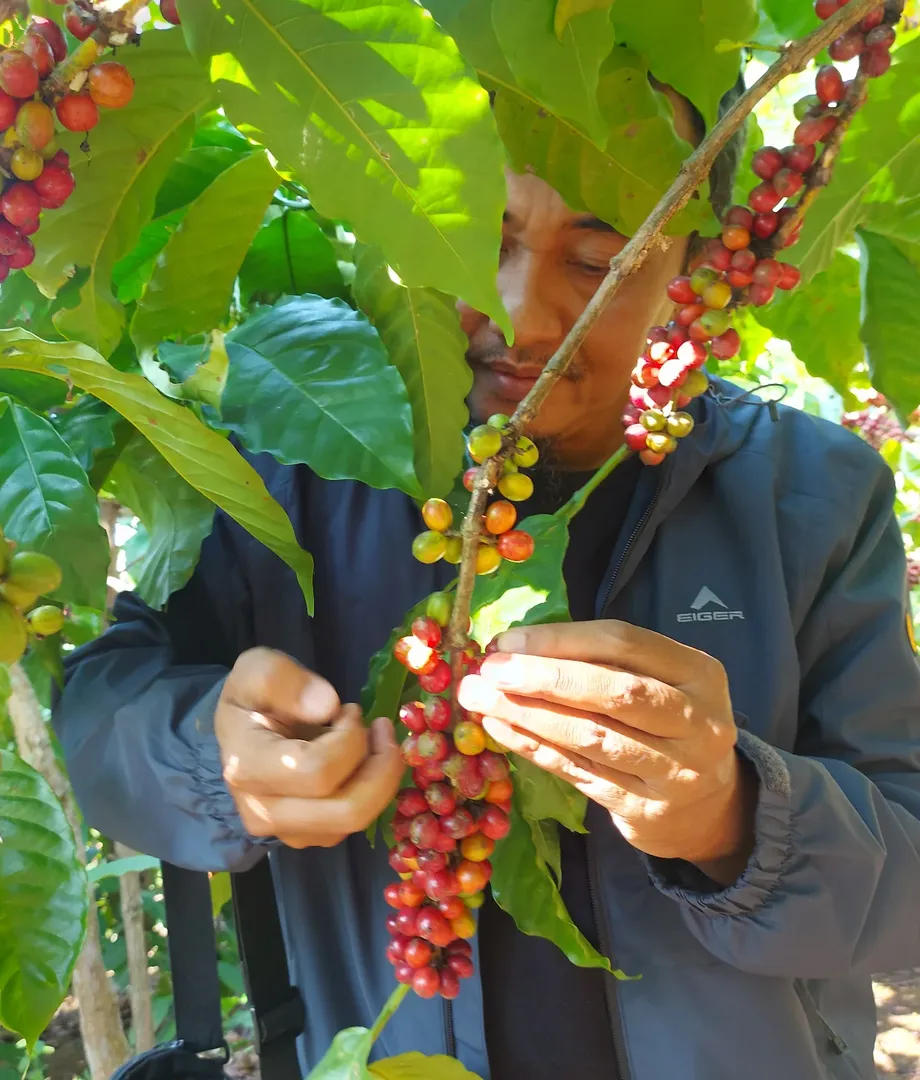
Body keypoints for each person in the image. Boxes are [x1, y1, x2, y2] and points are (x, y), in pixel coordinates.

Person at [53, 77, 920, 1080]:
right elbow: (102, 707)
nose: (524, 314)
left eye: (599, 261)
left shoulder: (806, 495)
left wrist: (734, 816)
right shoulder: (294, 463)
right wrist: (207, 756)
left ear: (695, 265)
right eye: (475, 235)